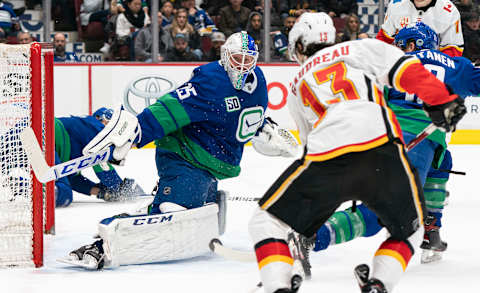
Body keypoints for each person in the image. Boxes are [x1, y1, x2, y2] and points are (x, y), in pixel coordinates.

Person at [248, 13, 466, 293]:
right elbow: (406, 71)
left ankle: (277, 286)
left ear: (300, 47)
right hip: (382, 147)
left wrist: (314, 198)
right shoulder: (359, 48)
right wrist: (442, 100)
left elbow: (309, 145)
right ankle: (379, 284)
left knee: (267, 221)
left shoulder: (296, 85)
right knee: (411, 230)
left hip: (327, 155)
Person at [60, 31, 297, 270]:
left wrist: (265, 129)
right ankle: (103, 243)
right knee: (172, 213)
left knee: (192, 211)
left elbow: (235, 118)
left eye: (248, 59)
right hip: (185, 155)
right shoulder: (211, 81)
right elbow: (172, 107)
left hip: (208, 164)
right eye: (237, 58)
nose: (243, 65)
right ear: (225, 56)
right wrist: (137, 132)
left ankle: (165, 200)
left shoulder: (258, 83)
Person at [309, 22, 480, 265]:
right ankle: (313, 236)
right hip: (417, 141)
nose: (396, 49)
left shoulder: (389, 64)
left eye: (400, 45)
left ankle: (430, 229)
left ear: (411, 45)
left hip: (387, 135)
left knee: (442, 160)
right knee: (381, 212)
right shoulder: (455, 64)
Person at [55, 107, 144, 207]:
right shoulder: (96, 127)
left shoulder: (82, 131)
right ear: (100, 118)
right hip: (48, 139)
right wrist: (120, 188)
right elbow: (103, 166)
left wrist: (102, 192)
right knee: (64, 195)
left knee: (64, 192)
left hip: (48, 141)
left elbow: (73, 179)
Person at [377, 0, 464, 57]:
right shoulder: (396, 4)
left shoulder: (449, 11)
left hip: (434, 67)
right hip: (400, 65)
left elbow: (453, 52)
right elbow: (383, 41)